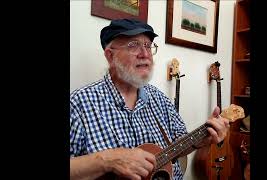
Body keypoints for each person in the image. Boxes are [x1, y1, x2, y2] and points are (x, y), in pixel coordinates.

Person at [70, 18, 230, 180]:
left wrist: (203, 139)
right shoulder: (79, 103)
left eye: (148, 45)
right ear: (110, 56)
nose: (145, 54)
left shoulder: (160, 99)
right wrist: (108, 159)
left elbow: (180, 145)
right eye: (133, 45)